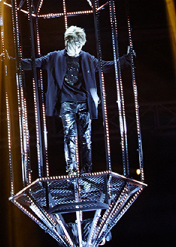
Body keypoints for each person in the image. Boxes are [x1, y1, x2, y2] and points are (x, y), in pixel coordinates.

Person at [21, 25, 132, 179]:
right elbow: (34, 62)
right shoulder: (55, 57)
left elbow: (106, 66)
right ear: (68, 43)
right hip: (66, 103)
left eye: (81, 44)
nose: (79, 47)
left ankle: (85, 172)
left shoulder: (87, 58)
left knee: (86, 139)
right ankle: (72, 171)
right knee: (70, 137)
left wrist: (125, 60)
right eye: (77, 44)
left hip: (84, 103)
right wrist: (12, 61)